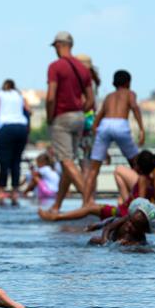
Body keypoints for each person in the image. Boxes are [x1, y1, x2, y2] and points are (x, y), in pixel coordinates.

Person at [44, 31, 94, 214]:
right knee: (69, 163)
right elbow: (90, 99)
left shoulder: (55, 67)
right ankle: (56, 206)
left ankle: (89, 201)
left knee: (66, 161)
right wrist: (80, 108)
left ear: (59, 45)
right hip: (79, 117)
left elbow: (51, 97)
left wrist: (50, 117)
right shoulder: (82, 69)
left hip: (62, 117)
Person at [40, 150, 155, 222]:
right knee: (91, 208)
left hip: (122, 212)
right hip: (124, 210)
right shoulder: (152, 180)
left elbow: (140, 203)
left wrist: (130, 217)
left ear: (138, 166)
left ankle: (57, 217)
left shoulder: (142, 179)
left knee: (89, 208)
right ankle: (57, 216)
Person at [83, 70, 145, 205]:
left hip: (105, 125)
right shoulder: (130, 94)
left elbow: (95, 123)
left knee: (93, 170)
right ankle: (139, 198)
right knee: (137, 165)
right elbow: (135, 108)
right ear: (128, 83)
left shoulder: (109, 97)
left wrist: (103, 149)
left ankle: (86, 202)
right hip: (121, 124)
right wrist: (141, 129)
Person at [0, 79, 30, 206]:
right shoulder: (19, 95)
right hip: (21, 127)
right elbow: (28, 110)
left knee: (4, 161)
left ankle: (2, 190)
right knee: (16, 161)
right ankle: (14, 191)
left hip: (6, 127)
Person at [87, 198, 155, 247]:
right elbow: (108, 228)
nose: (129, 225)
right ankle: (96, 225)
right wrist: (104, 241)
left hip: (115, 238)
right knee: (94, 238)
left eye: (134, 226)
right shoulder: (126, 218)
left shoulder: (141, 239)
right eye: (130, 221)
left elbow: (139, 246)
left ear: (143, 231)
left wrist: (127, 245)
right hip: (112, 222)